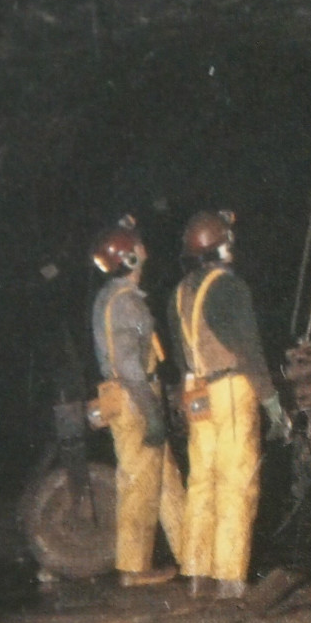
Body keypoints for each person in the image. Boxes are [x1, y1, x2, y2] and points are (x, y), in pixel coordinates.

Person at [167, 210, 290, 600]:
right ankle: (231, 577)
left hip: (196, 393)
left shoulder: (179, 294)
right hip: (231, 391)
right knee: (237, 481)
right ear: (221, 245)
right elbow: (250, 351)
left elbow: (180, 355)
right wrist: (272, 402)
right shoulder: (230, 288)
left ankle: (197, 571)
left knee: (202, 482)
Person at [89, 215, 186, 587]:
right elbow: (130, 367)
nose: (144, 250)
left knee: (165, 483)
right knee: (139, 485)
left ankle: (191, 555)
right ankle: (133, 568)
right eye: (137, 247)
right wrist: (153, 416)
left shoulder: (110, 297)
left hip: (133, 395)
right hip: (135, 399)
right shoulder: (126, 304)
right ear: (129, 260)